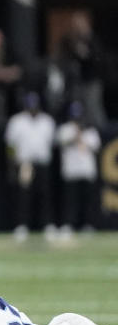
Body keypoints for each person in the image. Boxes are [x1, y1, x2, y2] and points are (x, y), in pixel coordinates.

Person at [4, 91, 56, 242]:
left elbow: (51, 144)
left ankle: (48, 225)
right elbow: (10, 145)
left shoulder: (47, 121)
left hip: (43, 163)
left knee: (45, 195)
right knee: (24, 196)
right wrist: (12, 164)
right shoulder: (17, 121)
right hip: (25, 163)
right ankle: (22, 225)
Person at [56, 101, 101, 238]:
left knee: (87, 200)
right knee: (70, 201)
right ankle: (69, 224)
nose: (77, 119)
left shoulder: (90, 131)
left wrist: (81, 135)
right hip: (71, 170)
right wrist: (75, 135)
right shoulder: (65, 129)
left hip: (87, 171)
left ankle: (88, 225)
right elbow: (61, 142)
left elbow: (96, 147)